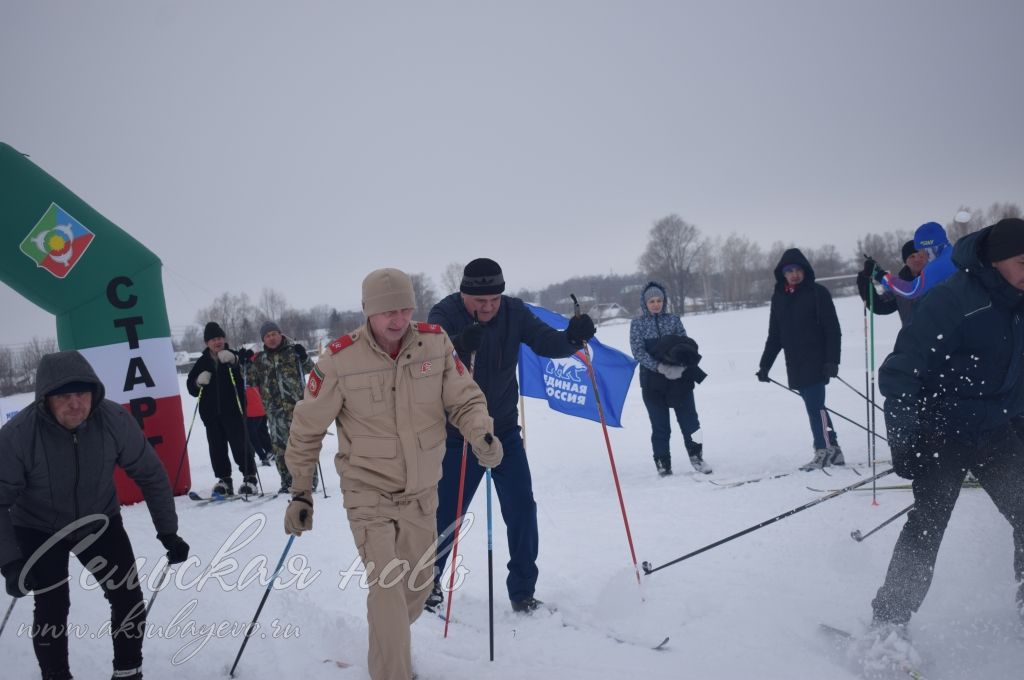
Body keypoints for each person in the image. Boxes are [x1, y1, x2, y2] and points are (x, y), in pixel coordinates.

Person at [283, 268, 502, 680]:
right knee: (386, 588)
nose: (398, 319)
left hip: (422, 491)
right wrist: (300, 492)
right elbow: (306, 427)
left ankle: (388, 641)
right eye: (388, 312)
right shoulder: (339, 360)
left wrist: (481, 434)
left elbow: (465, 399)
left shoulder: (435, 344)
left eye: (405, 309)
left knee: (416, 588)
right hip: (368, 493)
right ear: (368, 311)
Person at [868, 218, 1024, 656]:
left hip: (995, 428)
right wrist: (905, 438)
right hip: (943, 431)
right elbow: (900, 373)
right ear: (995, 261)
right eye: (1022, 261)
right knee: (929, 525)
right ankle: (888, 623)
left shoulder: (1019, 301)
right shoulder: (954, 299)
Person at [0, 350, 189, 680]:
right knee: (52, 605)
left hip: (97, 521)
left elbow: (150, 473)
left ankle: (128, 672)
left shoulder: (113, 420)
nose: (76, 404)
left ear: (94, 392)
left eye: (82, 394)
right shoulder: (18, 435)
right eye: (64, 396)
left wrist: (167, 531)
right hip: (38, 527)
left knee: (127, 595)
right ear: (46, 398)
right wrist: (11, 562)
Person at [426, 257, 597, 614]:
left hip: (502, 430)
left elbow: (547, 342)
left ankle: (522, 590)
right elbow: (430, 357)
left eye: (495, 300)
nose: (488, 307)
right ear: (463, 294)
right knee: (446, 515)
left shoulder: (514, 312)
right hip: (457, 435)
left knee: (521, 509)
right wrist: (459, 343)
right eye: (480, 301)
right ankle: (428, 584)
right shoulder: (443, 314)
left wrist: (572, 337)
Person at [757, 248, 844, 470]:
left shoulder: (818, 293)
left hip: (818, 361)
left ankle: (822, 450)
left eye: (798, 270)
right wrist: (765, 365)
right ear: (782, 274)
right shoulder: (779, 298)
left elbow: (833, 330)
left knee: (815, 408)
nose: (794, 274)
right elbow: (775, 336)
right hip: (794, 363)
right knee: (817, 407)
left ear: (805, 270)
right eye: (789, 271)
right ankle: (833, 449)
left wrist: (833, 360)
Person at [629, 281, 711, 476]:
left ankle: (697, 457)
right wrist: (659, 367)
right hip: (653, 382)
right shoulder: (638, 324)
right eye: (652, 301)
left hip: (679, 380)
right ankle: (663, 464)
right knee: (660, 426)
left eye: (659, 300)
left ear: (664, 302)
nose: (656, 304)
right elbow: (637, 351)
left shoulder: (673, 320)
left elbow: (685, 343)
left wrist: (680, 365)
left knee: (691, 422)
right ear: (645, 303)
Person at [245, 320, 318, 494]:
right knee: (280, 450)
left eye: (274, 334)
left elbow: (312, 369)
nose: (271, 338)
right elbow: (249, 380)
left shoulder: (293, 353)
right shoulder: (261, 359)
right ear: (263, 340)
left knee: (302, 447)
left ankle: (308, 481)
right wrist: (245, 362)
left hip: (298, 410)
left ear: (280, 334)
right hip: (274, 413)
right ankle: (287, 483)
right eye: (267, 336)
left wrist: (304, 356)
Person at [185, 322, 257, 496]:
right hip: (211, 415)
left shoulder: (233, 355)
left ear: (224, 339)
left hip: (234, 410)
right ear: (207, 343)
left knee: (240, 445)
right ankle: (224, 480)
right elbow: (191, 388)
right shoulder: (202, 362)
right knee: (217, 449)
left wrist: (235, 361)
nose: (217, 342)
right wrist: (197, 382)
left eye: (219, 338)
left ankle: (250, 479)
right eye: (213, 339)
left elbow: (249, 372)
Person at [872, 221, 956, 302]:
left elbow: (912, 290)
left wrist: (882, 277)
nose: (924, 255)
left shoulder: (940, 264)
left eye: (923, 250)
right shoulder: (953, 253)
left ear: (930, 246)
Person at [856, 240, 927, 326]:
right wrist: (865, 279)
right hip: (912, 337)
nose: (917, 259)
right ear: (906, 261)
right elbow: (878, 305)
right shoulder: (899, 286)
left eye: (920, 256)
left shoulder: (937, 279)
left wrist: (881, 275)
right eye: (912, 256)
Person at [244, 385, 274, 467]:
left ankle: (263, 456)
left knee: (252, 435)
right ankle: (270, 450)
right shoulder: (255, 375)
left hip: (251, 411)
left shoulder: (244, 379)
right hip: (261, 407)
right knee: (262, 431)